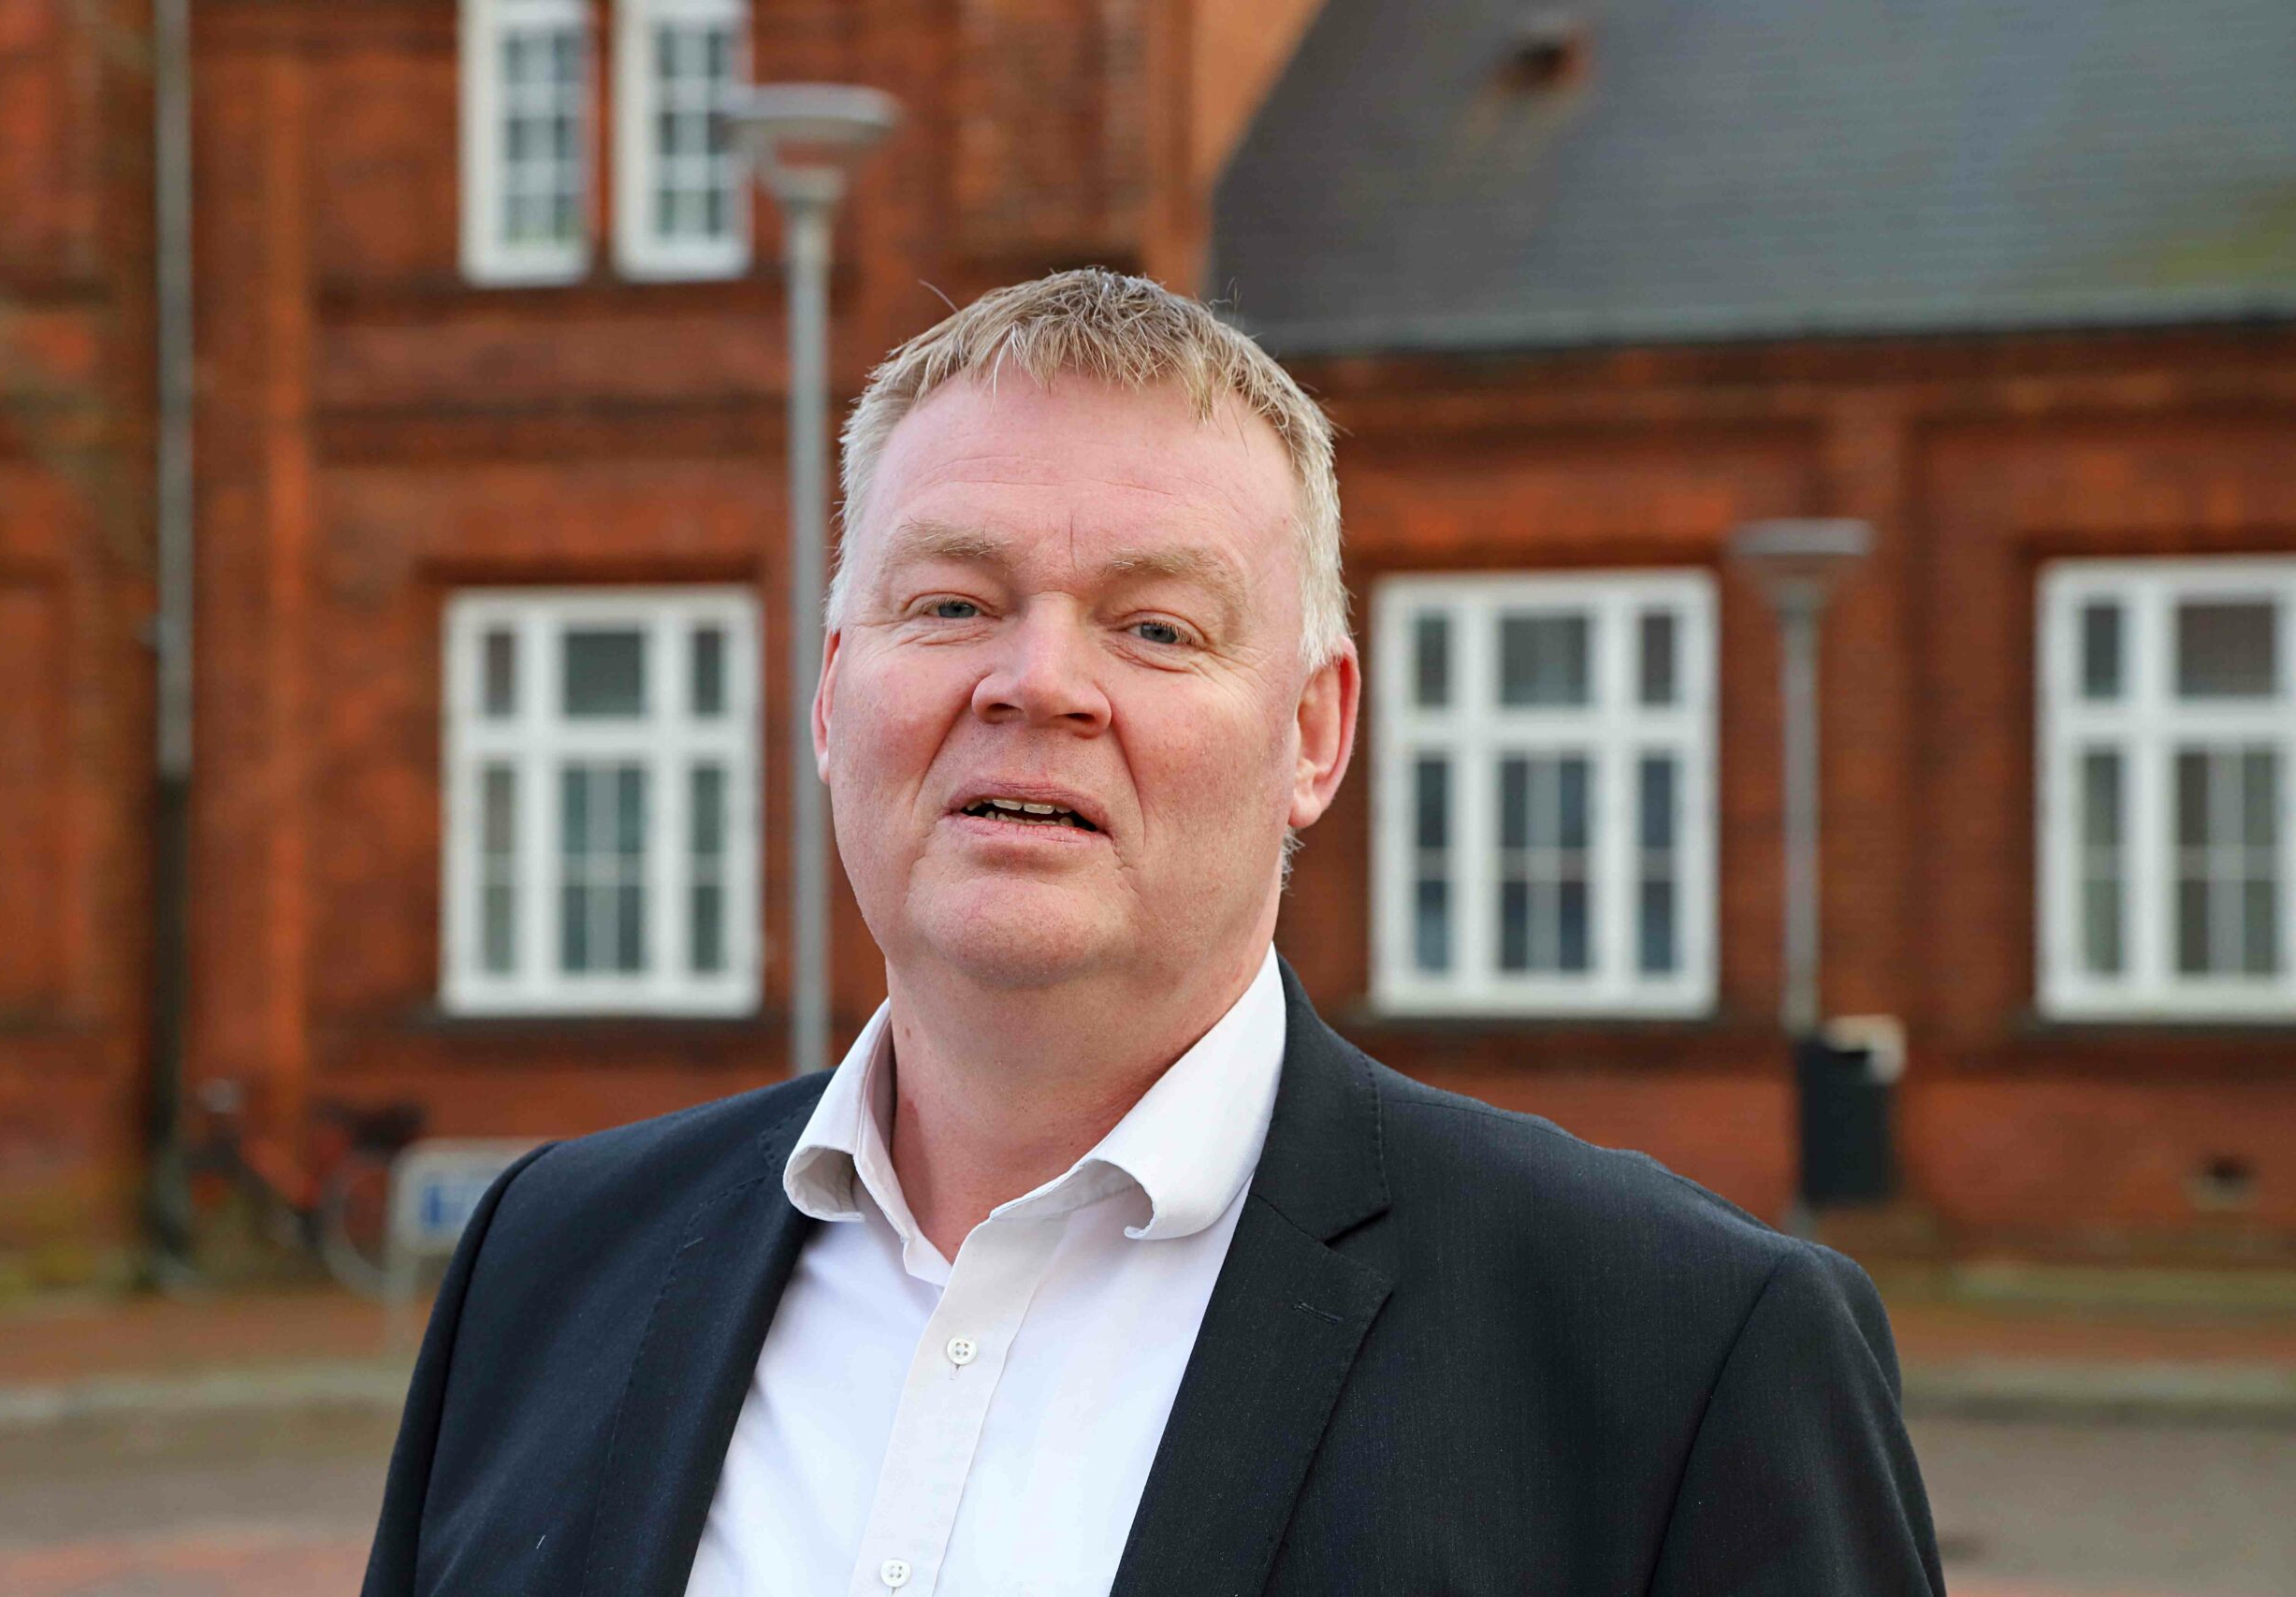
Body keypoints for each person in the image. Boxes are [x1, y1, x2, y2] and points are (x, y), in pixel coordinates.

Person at [362, 269, 1943, 1597]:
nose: (1037, 683)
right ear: (835, 694)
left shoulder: (1676, 1357)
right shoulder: (550, 1266)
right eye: (953, 603)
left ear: (1313, 735)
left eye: (1156, 627)